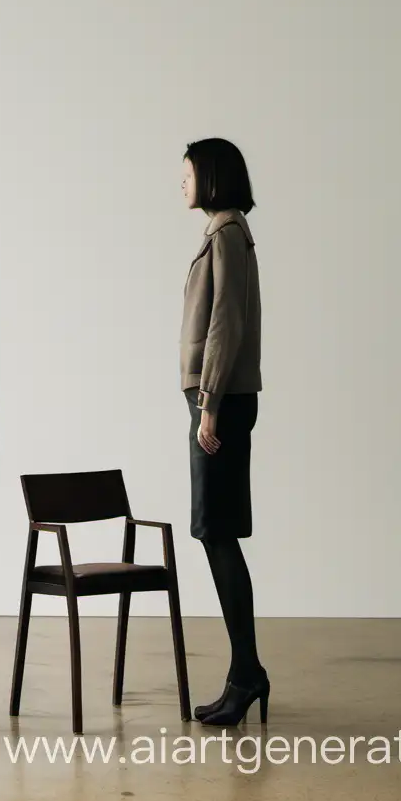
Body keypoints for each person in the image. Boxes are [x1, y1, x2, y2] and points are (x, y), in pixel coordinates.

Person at [179, 138, 269, 727]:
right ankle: (246, 673)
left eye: (186, 174)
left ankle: (247, 674)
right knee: (216, 531)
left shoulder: (228, 234)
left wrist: (208, 405)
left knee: (218, 532)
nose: (181, 184)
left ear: (210, 177)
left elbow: (224, 325)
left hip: (221, 402)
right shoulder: (223, 233)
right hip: (220, 400)